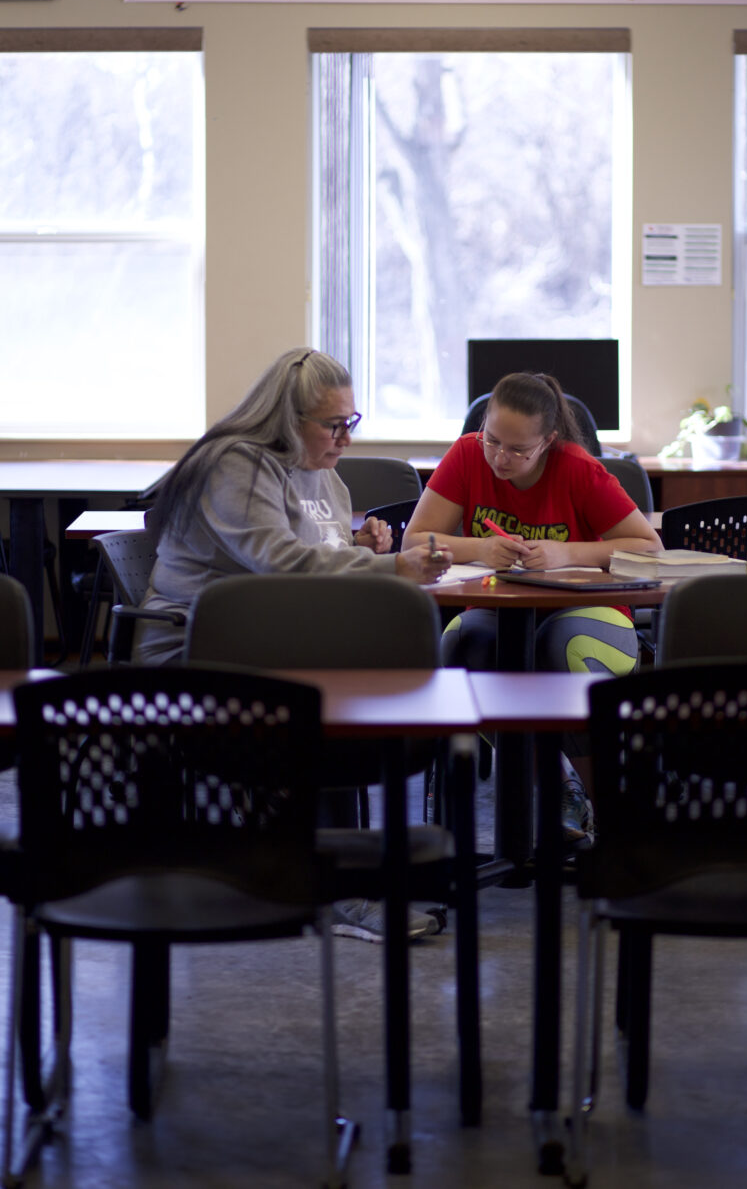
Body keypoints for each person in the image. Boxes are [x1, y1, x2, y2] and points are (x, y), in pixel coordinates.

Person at [133, 346, 452, 942]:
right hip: (192, 650)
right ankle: (340, 892)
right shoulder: (235, 463)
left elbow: (318, 559)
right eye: (333, 425)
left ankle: (338, 876)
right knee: (328, 698)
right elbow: (280, 563)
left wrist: (364, 546)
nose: (345, 439)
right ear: (286, 420)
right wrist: (391, 571)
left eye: (350, 422)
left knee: (360, 685)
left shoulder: (323, 474)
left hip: (277, 643)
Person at [402, 370, 662, 848]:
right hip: (500, 608)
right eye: (493, 441)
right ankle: (559, 788)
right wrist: (479, 548)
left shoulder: (578, 468)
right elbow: (416, 539)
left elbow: (648, 544)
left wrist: (568, 552)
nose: (501, 458)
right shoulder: (466, 454)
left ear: (548, 442)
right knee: (465, 643)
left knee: (562, 647)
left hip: (591, 615)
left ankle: (607, 812)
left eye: (519, 450)